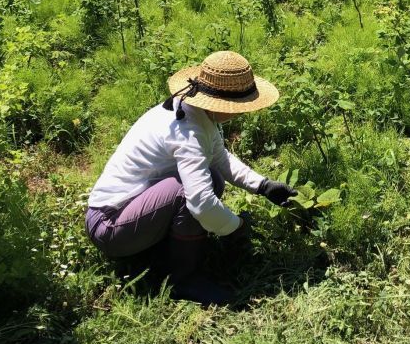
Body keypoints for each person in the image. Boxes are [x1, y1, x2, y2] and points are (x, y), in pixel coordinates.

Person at [85, 50, 296, 305]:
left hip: (127, 213)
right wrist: (236, 227)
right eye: (239, 107)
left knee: (212, 178)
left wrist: (263, 186)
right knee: (186, 192)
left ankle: (161, 252)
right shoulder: (187, 131)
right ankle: (184, 279)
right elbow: (201, 203)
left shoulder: (193, 110)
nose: (241, 113)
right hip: (110, 225)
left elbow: (219, 156)